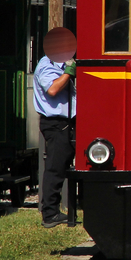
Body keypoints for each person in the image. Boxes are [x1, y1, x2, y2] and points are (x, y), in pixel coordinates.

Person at [34, 26, 77, 227]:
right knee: (55, 167)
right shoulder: (46, 65)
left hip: (69, 122)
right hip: (56, 123)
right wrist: (69, 72)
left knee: (63, 166)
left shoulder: (63, 64)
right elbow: (52, 89)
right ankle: (49, 213)